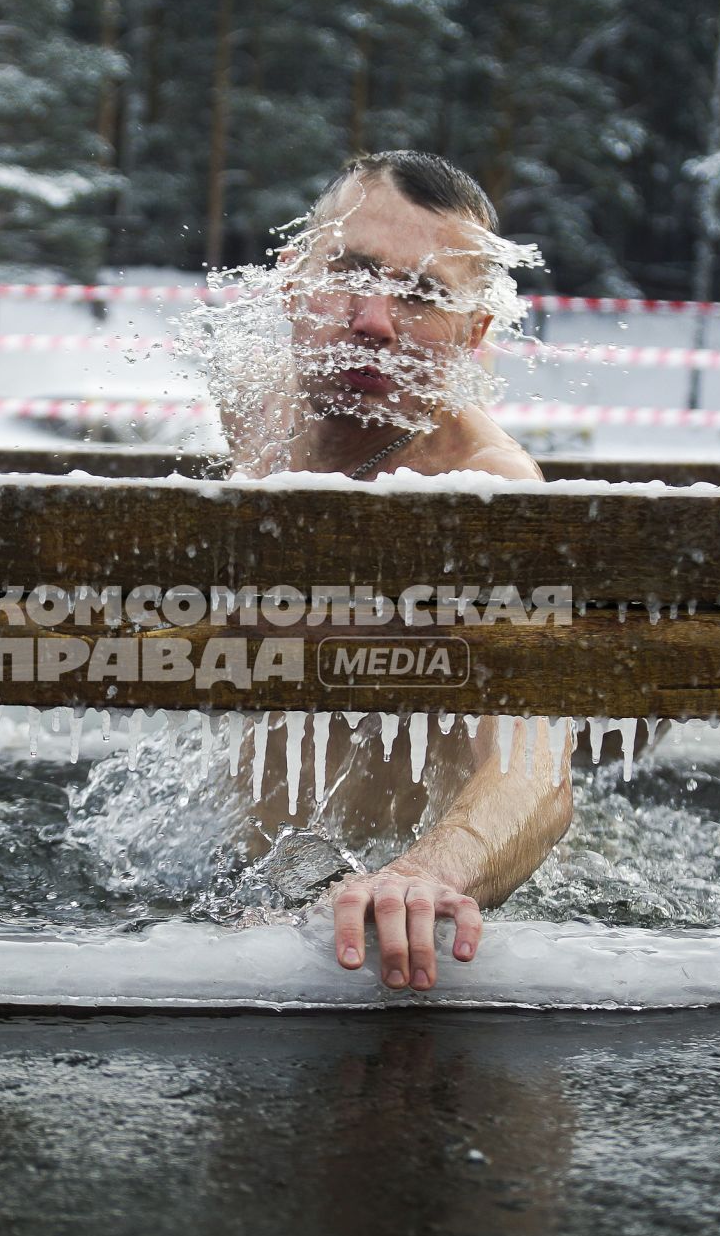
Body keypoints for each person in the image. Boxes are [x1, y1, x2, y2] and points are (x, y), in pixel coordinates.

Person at [219, 150, 574, 992]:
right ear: (288, 278)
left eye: (422, 295)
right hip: (238, 885)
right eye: (347, 271)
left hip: (391, 902)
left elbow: (539, 770)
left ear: (475, 330)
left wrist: (426, 874)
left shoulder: (479, 488)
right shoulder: (257, 399)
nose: (372, 318)